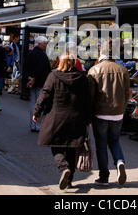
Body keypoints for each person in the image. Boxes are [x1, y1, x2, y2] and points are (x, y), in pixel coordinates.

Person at [33, 52, 92, 190]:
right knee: (72, 148)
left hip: (56, 118)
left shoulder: (53, 76)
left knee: (56, 146)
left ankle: (63, 167)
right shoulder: (82, 77)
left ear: (60, 62)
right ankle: (69, 180)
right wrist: (88, 118)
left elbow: (44, 94)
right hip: (76, 118)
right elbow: (87, 100)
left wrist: (37, 112)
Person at [87, 38, 131, 186]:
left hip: (100, 112)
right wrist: (122, 108)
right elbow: (127, 94)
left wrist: (90, 113)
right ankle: (120, 162)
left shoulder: (94, 70)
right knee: (114, 140)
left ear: (101, 51)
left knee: (101, 144)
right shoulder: (123, 71)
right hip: (118, 112)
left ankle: (104, 177)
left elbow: (90, 96)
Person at [24, 36, 51, 132]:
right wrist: (34, 78)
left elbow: (25, 67)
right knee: (40, 104)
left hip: (32, 82)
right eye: (45, 44)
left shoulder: (30, 53)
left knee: (33, 103)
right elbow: (41, 69)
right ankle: (38, 125)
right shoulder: (42, 55)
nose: (46, 46)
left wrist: (30, 78)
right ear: (40, 44)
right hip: (40, 82)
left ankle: (32, 125)